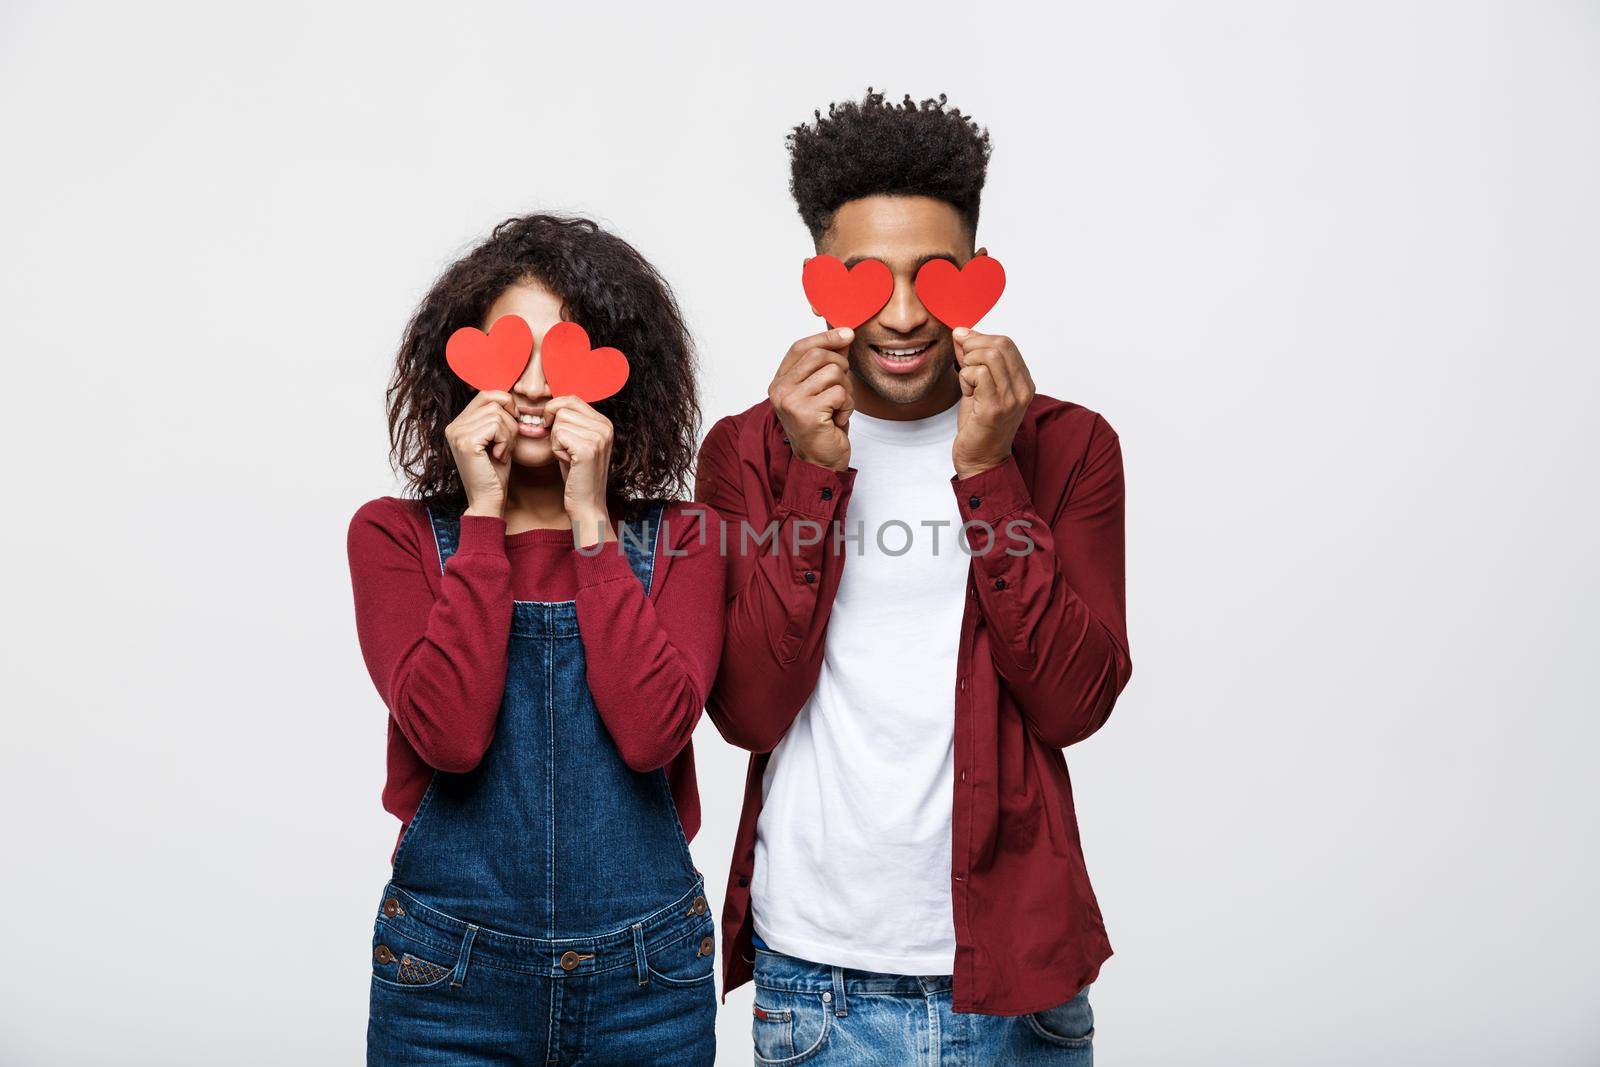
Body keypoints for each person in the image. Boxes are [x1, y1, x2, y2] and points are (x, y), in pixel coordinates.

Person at [695, 90, 1133, 1064]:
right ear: (820, 280)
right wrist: (814, 474)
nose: (900, 315)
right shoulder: (745, 454)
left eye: (933, 278)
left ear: (977, 276)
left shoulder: (1067, 448)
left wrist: (986, 469)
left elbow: (1073, 700)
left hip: (1017, 982)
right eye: (863, 279)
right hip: (817, 975)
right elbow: (748, 710)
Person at [348, 214, 722, 1066]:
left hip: (646, 980)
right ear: (458, 364)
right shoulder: (394, 537)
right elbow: (450, 734)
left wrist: (593, 522)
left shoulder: (687, 539)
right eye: (508, 357)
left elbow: (651, 733)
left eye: (564, 358)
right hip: (448, 981)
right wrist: (482, 514)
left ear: (620, 375)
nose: (531, 387)